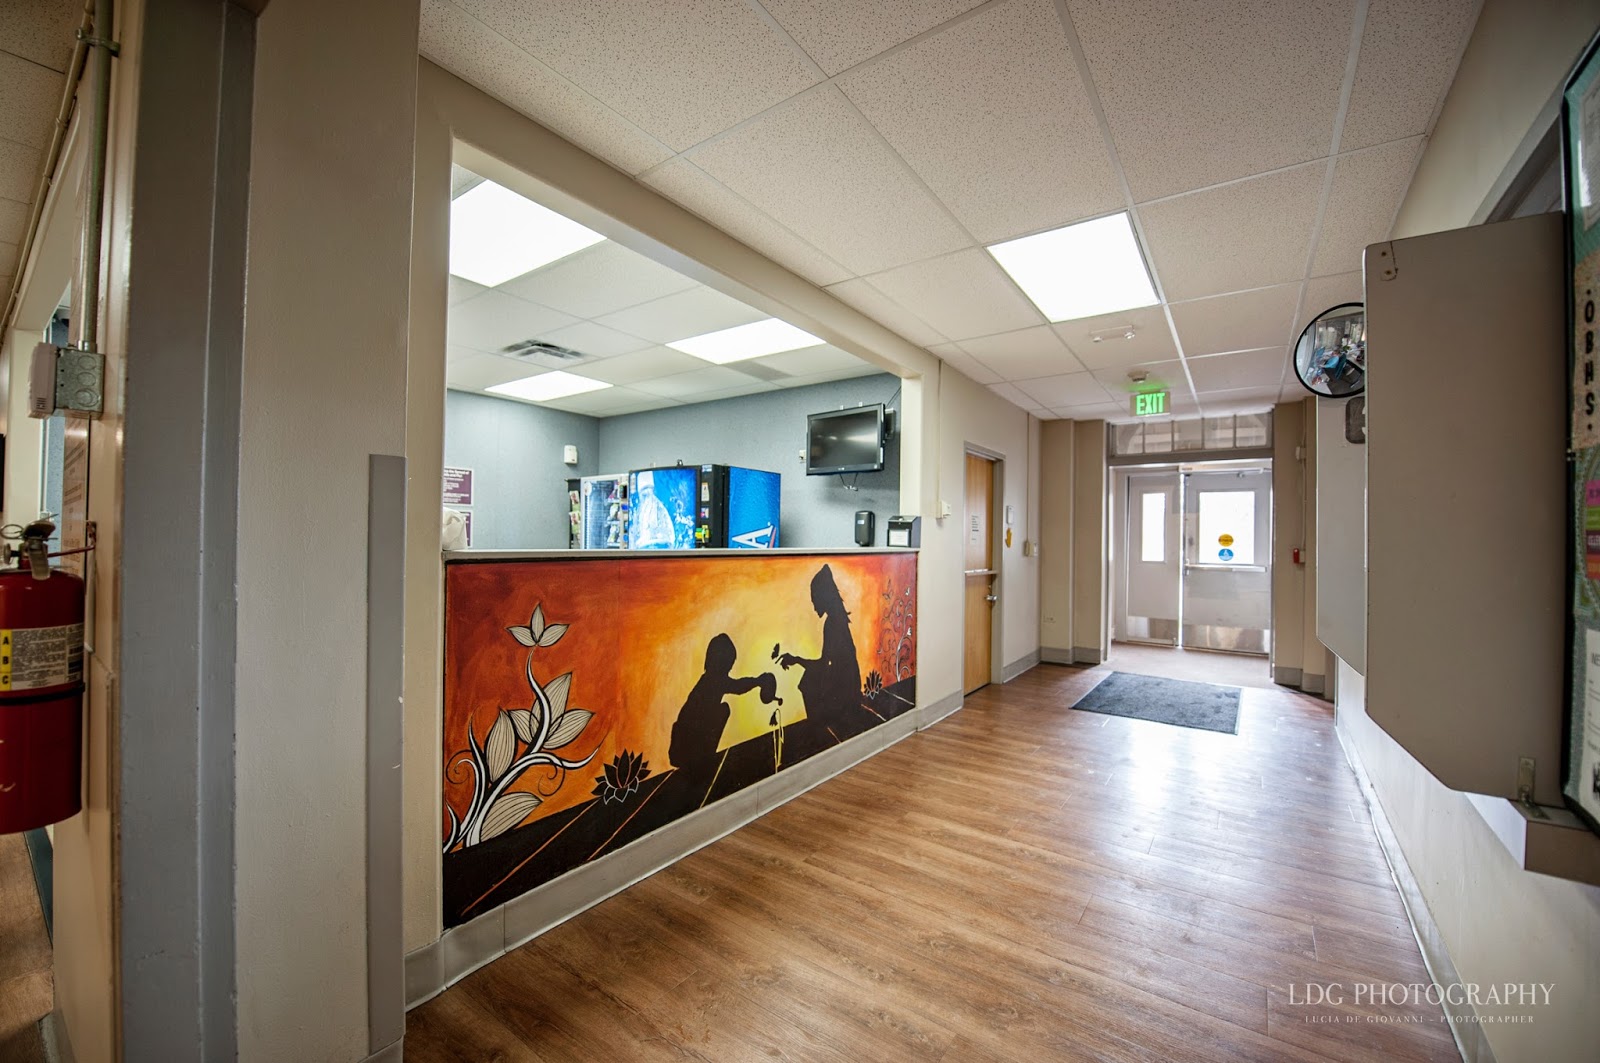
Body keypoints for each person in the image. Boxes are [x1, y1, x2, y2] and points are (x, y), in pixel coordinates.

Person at [669, 633, 779, 774]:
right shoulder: (713, 680)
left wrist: (758, 681)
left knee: (719, 710)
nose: (728, 670)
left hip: (682, 744)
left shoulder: (708, 680)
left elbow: (735, 685)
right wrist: (758, 680)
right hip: (686, 746)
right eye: (728, 666)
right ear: (720, 662)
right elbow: (737, 686)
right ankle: (704, 756)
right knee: (723, 710)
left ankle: (702, 755)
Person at [777, 565, 863, 736]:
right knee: (810, 676)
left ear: (823, 597)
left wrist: (796, 660)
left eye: (814, 599)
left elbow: (824, 664)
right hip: (850, 687)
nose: (814, 605)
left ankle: (817, 728)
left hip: (846, 693)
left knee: (808, 680)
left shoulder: (832, 624)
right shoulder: (837, 620)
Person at [631, 470, 673, 548]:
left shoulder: (658, 508)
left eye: (647, 493)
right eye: (644, 495)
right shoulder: (639, 511)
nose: (646, 497)